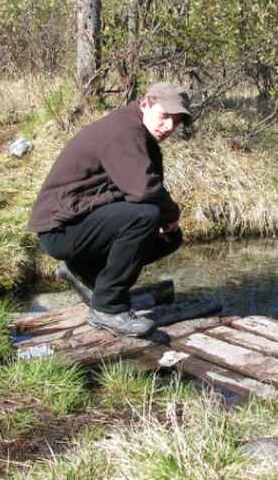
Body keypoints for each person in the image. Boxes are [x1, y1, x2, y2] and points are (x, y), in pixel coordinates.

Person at [28, 83, 190, 337]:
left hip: (80, 220)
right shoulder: (124, 131)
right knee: (145, 216)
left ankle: (85, 272)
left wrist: (168, 221)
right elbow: (143, 190)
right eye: (165, 116)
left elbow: (144, 187)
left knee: (168, 237)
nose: (169, 126)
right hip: (60, 228)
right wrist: (171, 213)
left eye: (177, 121)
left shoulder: (140, 133)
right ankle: (108, 309)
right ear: (146, 103)